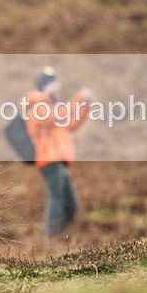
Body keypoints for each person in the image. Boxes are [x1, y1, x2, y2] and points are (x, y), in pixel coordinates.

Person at [24, 67, 93, 237]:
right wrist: (79, 98)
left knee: (71, 205)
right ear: (45, 86)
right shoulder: (36, 104)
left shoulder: (51, 106)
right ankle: (51, 240)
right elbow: (54, 116)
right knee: (56, 201)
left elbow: (70, 125)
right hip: (49, 161)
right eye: (54, 83)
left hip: (59, 161)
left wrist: (86, 106)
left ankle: (59, 238)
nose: (58, 87)